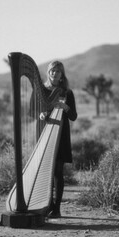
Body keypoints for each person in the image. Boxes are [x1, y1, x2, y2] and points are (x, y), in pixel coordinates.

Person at [38, 60, 78, 218]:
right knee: (45, 170)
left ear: (62, 75)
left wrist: (65, 107)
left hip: (61, 134)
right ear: (48, 72)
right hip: (45, 132)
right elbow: (35, 110)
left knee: (58, 171)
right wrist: (40, 115)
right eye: (52, 71)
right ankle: (45, 204)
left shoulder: (67, 93)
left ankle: (56, 208)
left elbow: (73, 116)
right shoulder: (42, 90)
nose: (54, 73)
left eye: (58, 71)